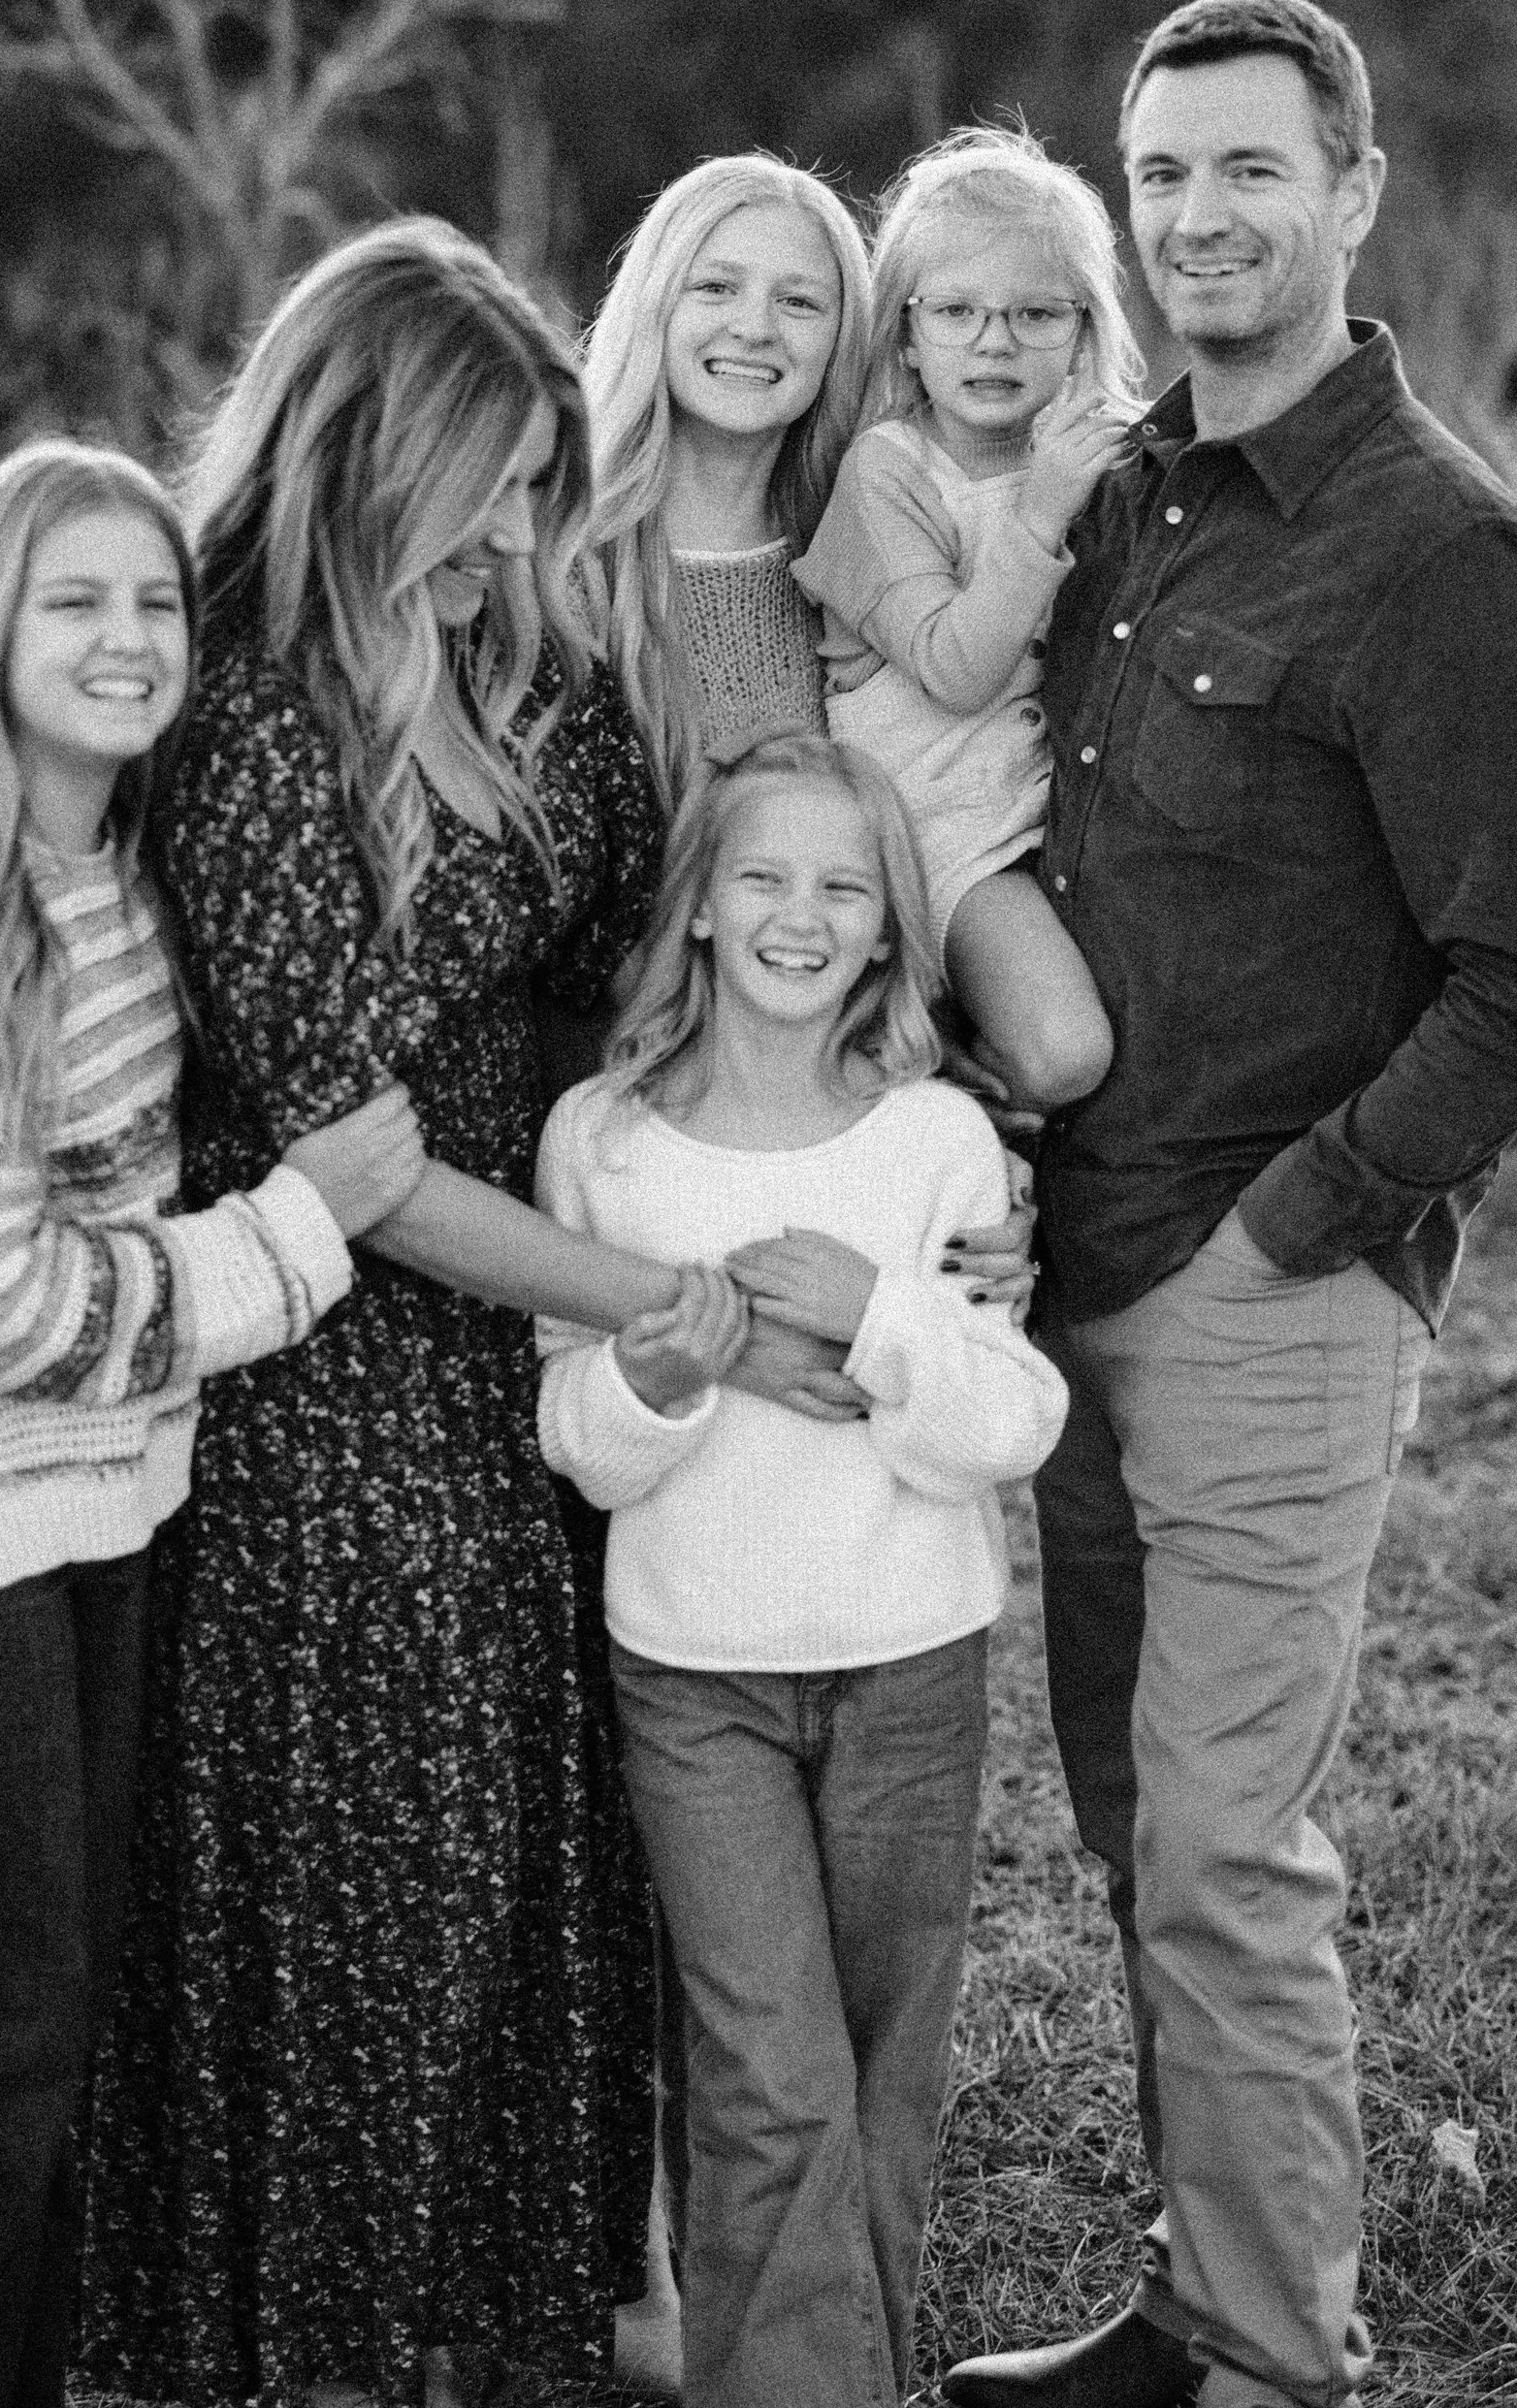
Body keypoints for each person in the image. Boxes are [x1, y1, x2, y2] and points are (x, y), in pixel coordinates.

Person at [942, 0, 1517, 2408]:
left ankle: (1277, 2364)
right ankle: (1199, 2295)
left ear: (1350, 192)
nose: (1198, 216)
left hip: (1262, 1289)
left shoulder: (1438, 556)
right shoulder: (1123, 496)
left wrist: (1294, 1228)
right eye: (1161, 174)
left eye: (1247, 169)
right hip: (1077, 1285)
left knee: (1227, 1850)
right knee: (1146, 1835)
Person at [81, 220, 755, 2408]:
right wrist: (659, 1290)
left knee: (550, 1813)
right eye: (484, 489)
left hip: (533, 1294)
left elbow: (634, 941)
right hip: (328, 1346)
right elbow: (351, 1168)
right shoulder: (241, 712)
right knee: (381, 1823)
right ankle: (323, 2320)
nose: (511, 538)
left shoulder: (514, 648)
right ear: (374, 452)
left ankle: (526, 2293)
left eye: (536, 491)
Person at [0, 438, 427, 2408]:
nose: (128, 638)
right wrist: (302, 1234)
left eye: (152, 601)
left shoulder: (123, 876)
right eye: (76, 601)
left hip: (91, 1504)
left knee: (51, 2031)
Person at [534, 733, 1073, 2408]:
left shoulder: (933, 1145)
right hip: (693, 1678)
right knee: (771, 2078)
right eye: (762, 875)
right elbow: (578, 1436)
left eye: (844, 886)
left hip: (912, 1666)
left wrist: (879, 1312)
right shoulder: (606, 1143)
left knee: (877, 2080)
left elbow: (1008, 1421)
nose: (800, 913)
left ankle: (823, 2377)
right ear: (695, 906)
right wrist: (657, 1379)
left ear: (890, 930)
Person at [793, 125, 1136, 1114]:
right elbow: (954, 667)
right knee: (1066, 1053)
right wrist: (1041, 513)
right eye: (957, 311)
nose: (995, 341)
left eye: (1036, 313)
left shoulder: (1084, 460)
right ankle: (929, 1078)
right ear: (905, 331)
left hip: (1065, 814)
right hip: (938, 831)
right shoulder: (887, 470)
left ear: (1084, 329)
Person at [586, 149, 872, 800]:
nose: (753, 329)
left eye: (799, 302)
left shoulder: (861, 569)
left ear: (843, 339)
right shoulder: (562, 561)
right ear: (654, 304)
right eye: (715, 287)